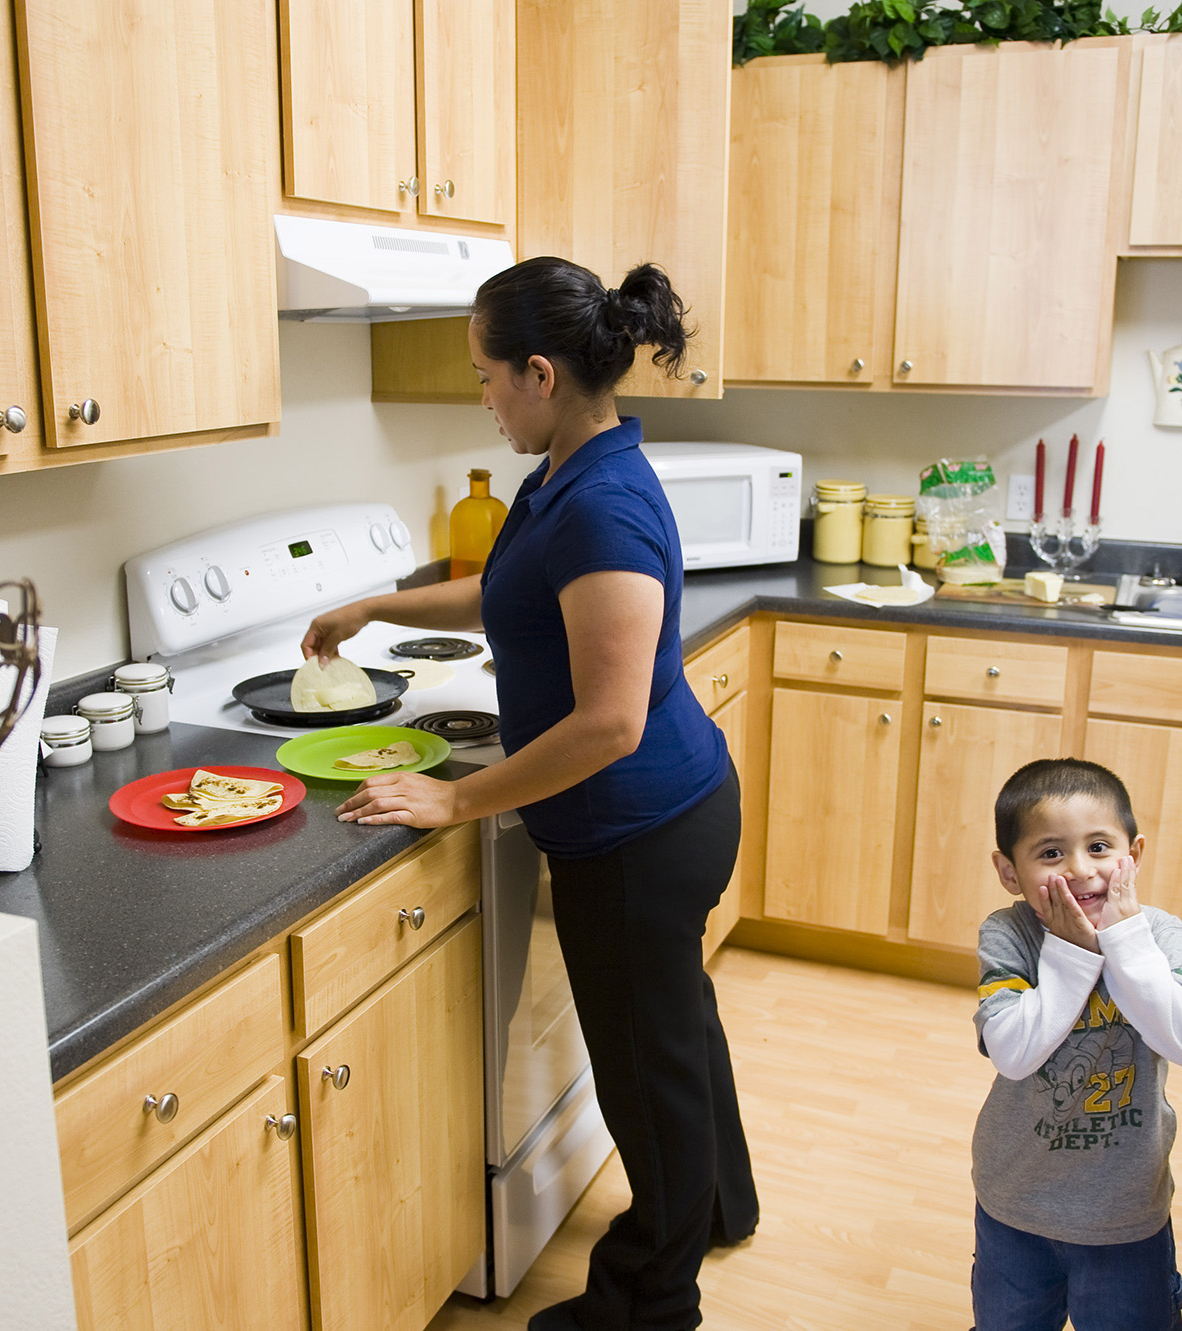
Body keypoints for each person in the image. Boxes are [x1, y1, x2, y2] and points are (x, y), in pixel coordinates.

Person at [301, 255, 757, 1331]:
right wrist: (380, 600)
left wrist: (459, 801)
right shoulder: (563, 468)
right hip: (655, 813)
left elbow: (608, 721)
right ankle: (717, 1205)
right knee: (673, 1039)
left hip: (640, 830)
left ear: (538, 373)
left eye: (483, 375)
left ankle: (651, 1299)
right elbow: (511, 588)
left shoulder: (602, 506)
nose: (482, 395)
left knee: (646, 1078)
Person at [971, 758, 1182, 1331]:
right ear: (1010, 872)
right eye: (1052, 853)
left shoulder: (1155, 933)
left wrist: (1124, 941)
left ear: (1133, 855)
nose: (1081, 871)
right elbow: (1012, 1053)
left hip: (1126, 1211)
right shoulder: (1009, 934)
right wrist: (1070, 952)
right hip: (1016, 1202)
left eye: (1100, 847)